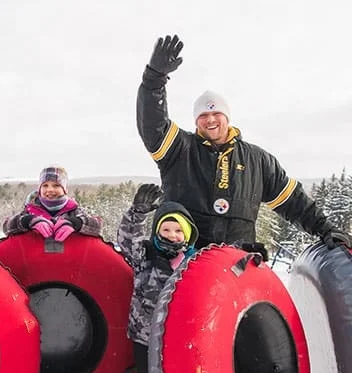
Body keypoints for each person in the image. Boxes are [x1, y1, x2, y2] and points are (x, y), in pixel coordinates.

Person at [136, 35, 351, 255]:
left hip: (236, 270)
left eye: (216, 113)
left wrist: (326, 230)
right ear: (196, 121)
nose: (210, 120)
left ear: (227, 117)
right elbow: (152, 124)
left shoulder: (258, 161)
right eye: (203, 115)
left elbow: (293, 202)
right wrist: (154, 78)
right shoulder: (180, 149)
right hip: (181, 267)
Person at [117, 183, 198, 373]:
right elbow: (126, 240)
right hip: (145, 336)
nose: (172, 235)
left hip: (177, 338)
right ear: (157, 231)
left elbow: (221, 267)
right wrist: (137, 212)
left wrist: (245, 251)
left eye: (178, 231)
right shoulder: (145, 255)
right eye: (166, 229)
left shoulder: (193, 262)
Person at [3, 165, 102, 241]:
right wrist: (28, 221)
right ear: (39, 189)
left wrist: (75, 223)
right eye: (45, 185)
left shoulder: (73, 210)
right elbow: (7, 227)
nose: (50, 190)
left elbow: (96, 226)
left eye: (56, 185)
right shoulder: (31, 210)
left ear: (65, 189)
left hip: (67, 260)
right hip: (35, 260)